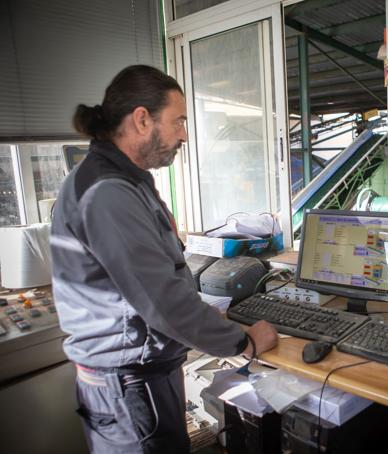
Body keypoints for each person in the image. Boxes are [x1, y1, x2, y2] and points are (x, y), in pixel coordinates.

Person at [50, 65, 278, 454]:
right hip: (129, 388)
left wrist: (206, 317)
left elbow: (154, 281)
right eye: (178, 121)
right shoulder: (108, 192)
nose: (184, 135)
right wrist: (243, 341)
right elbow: (160, 300)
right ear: (142, 120)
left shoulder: (115, 179)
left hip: (127, 381)